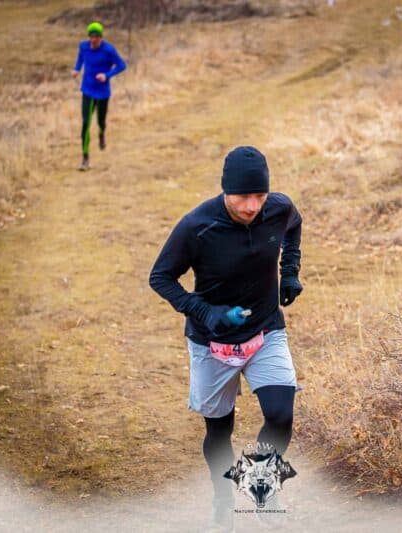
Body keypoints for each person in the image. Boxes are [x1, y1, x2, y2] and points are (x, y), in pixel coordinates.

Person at [149, 146, 303, 532]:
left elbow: (294, 224)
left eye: (259, 197)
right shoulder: (196, 226)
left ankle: (262, 487)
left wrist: (291, 271)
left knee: (281, 413)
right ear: (225, 191)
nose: (252, 206)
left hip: (265, 328)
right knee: (219, 430)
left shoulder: (278, 208)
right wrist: (205, 312)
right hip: (211, 341)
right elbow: (161, 277)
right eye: (242, 198)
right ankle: (222, 496)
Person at [72, 21, 127, 171]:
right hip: (88, 90)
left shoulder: (109, 50)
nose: (93, 39)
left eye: (96, 37)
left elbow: (122, 65)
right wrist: (76, 69)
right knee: (86, 123)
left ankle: (102, 133)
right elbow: (80, 60)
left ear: (101, 37)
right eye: (91, 36)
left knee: (100, 121)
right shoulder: (83, 46)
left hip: (102, 92)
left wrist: (107, 75)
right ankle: (85, 158)